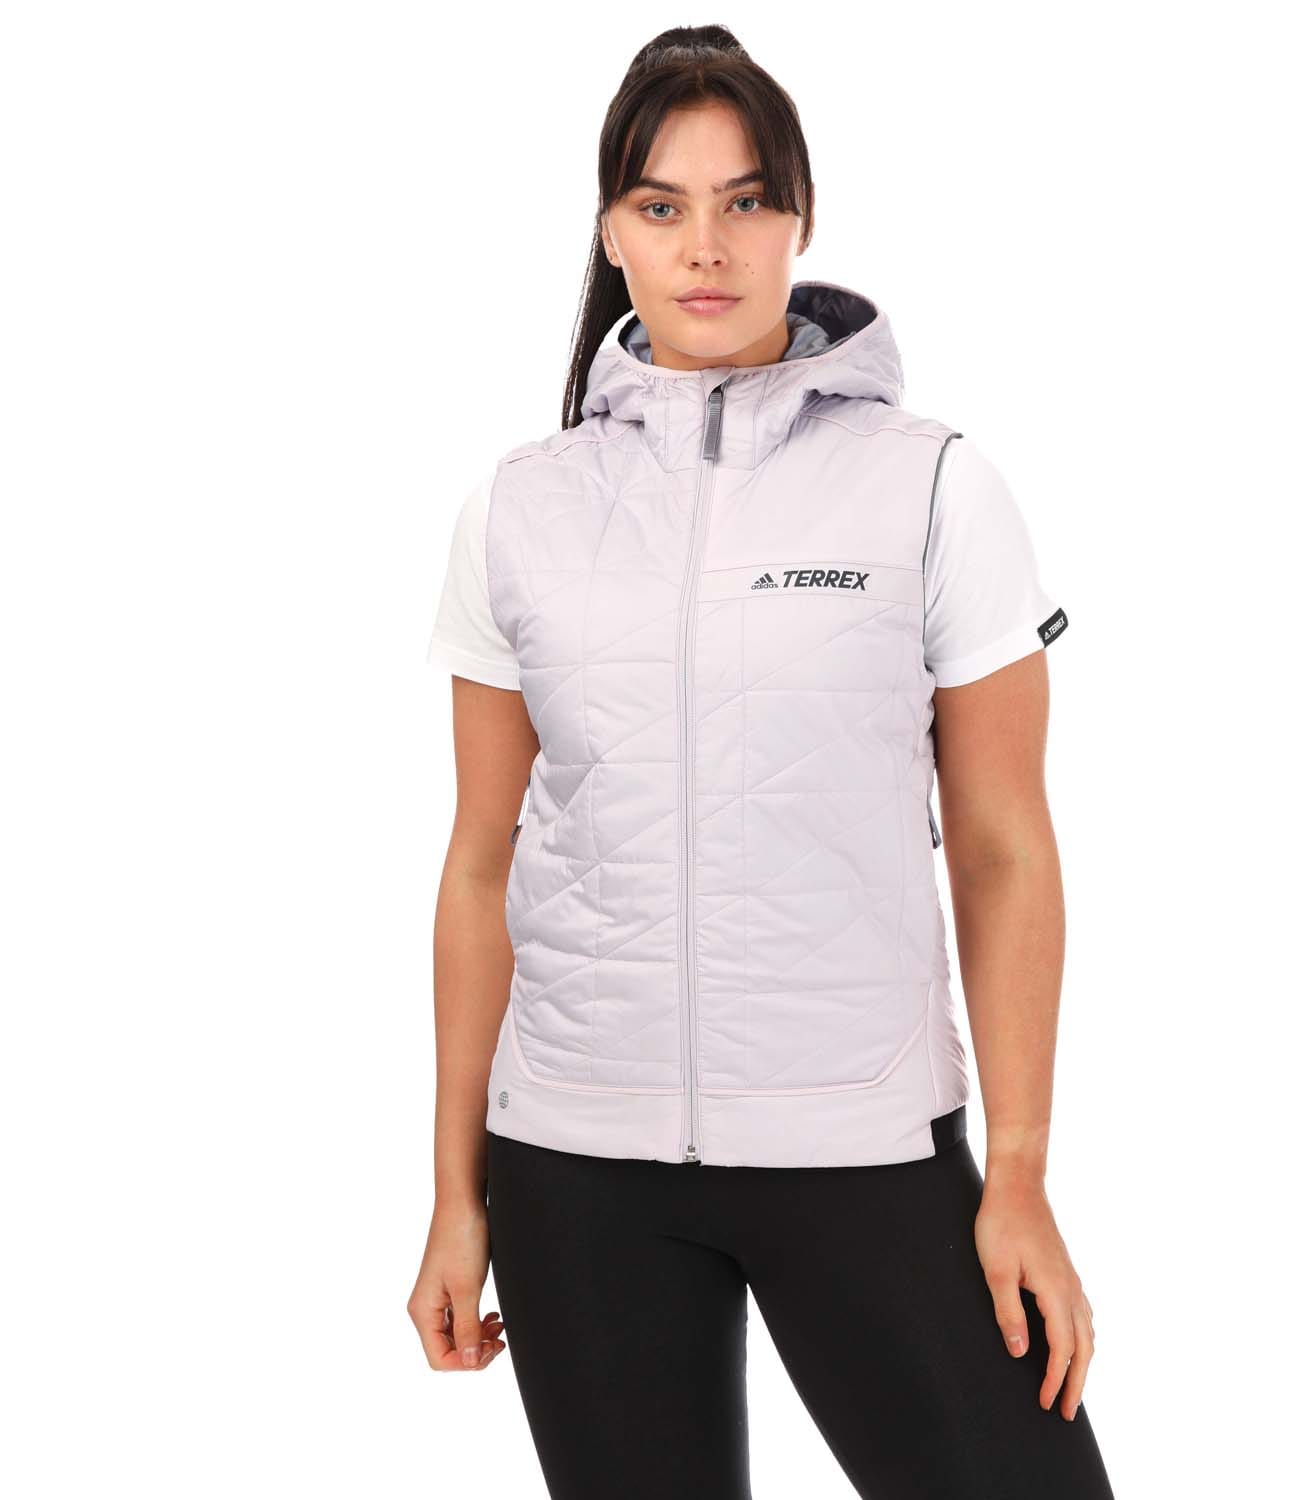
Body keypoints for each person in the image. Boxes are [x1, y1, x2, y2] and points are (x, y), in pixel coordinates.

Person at [409, 25, 1115, 1500]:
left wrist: (1020, 1174)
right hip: (575, 1167)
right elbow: (482, 865)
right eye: (661, 205)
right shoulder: (519, 511)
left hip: (862, 1145)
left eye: (746, 201)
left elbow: (1003, 846)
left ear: (801, 217)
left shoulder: (932, 484)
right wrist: (456, 1196)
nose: (707, 246)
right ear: (611, 231)